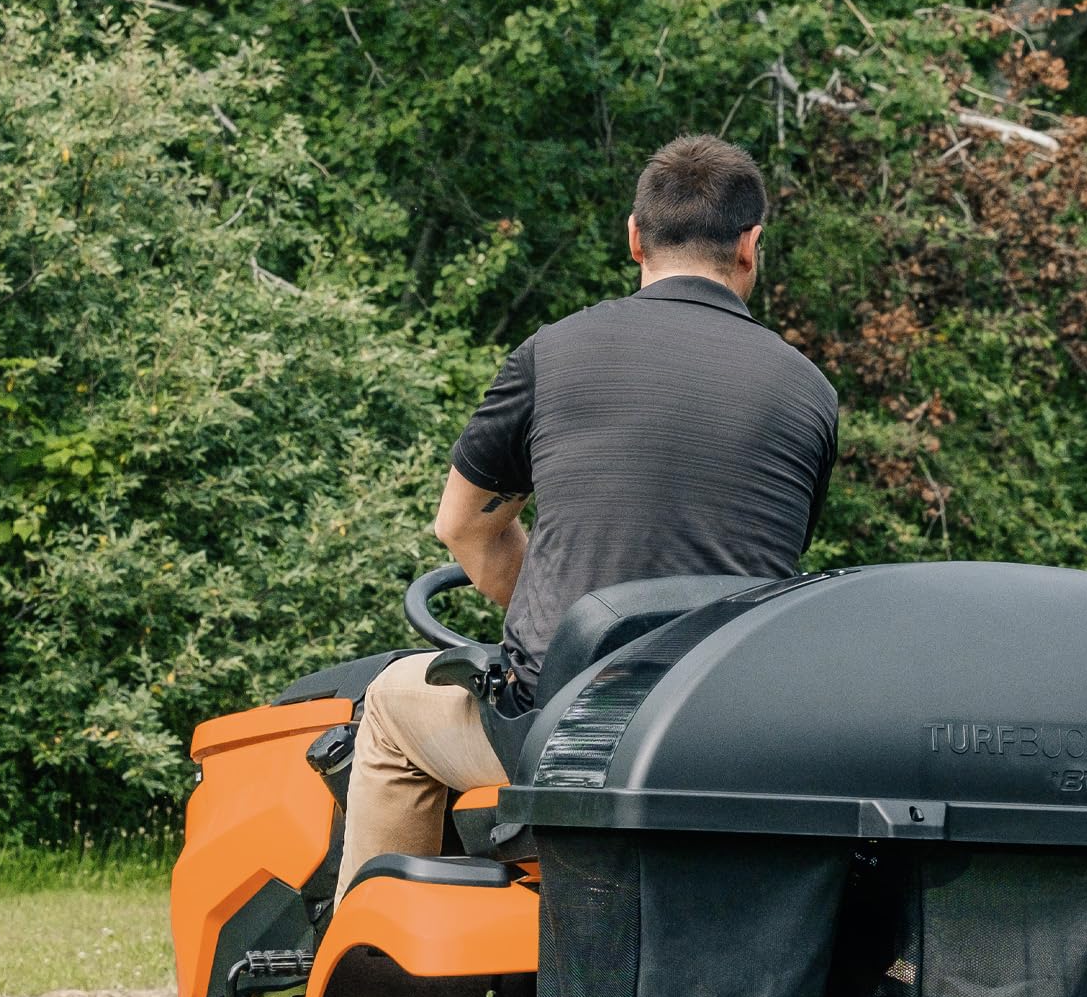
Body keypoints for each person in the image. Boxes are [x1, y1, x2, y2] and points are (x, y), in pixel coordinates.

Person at [333, 132, 840, 898]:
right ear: (751, 245)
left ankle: (370, 991)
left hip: (565, 727)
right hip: (726, 731)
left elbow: (462, 525)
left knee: (391, 711)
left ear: (634, 237)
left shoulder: (554, 351)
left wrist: (560, 612)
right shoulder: (810, 392)